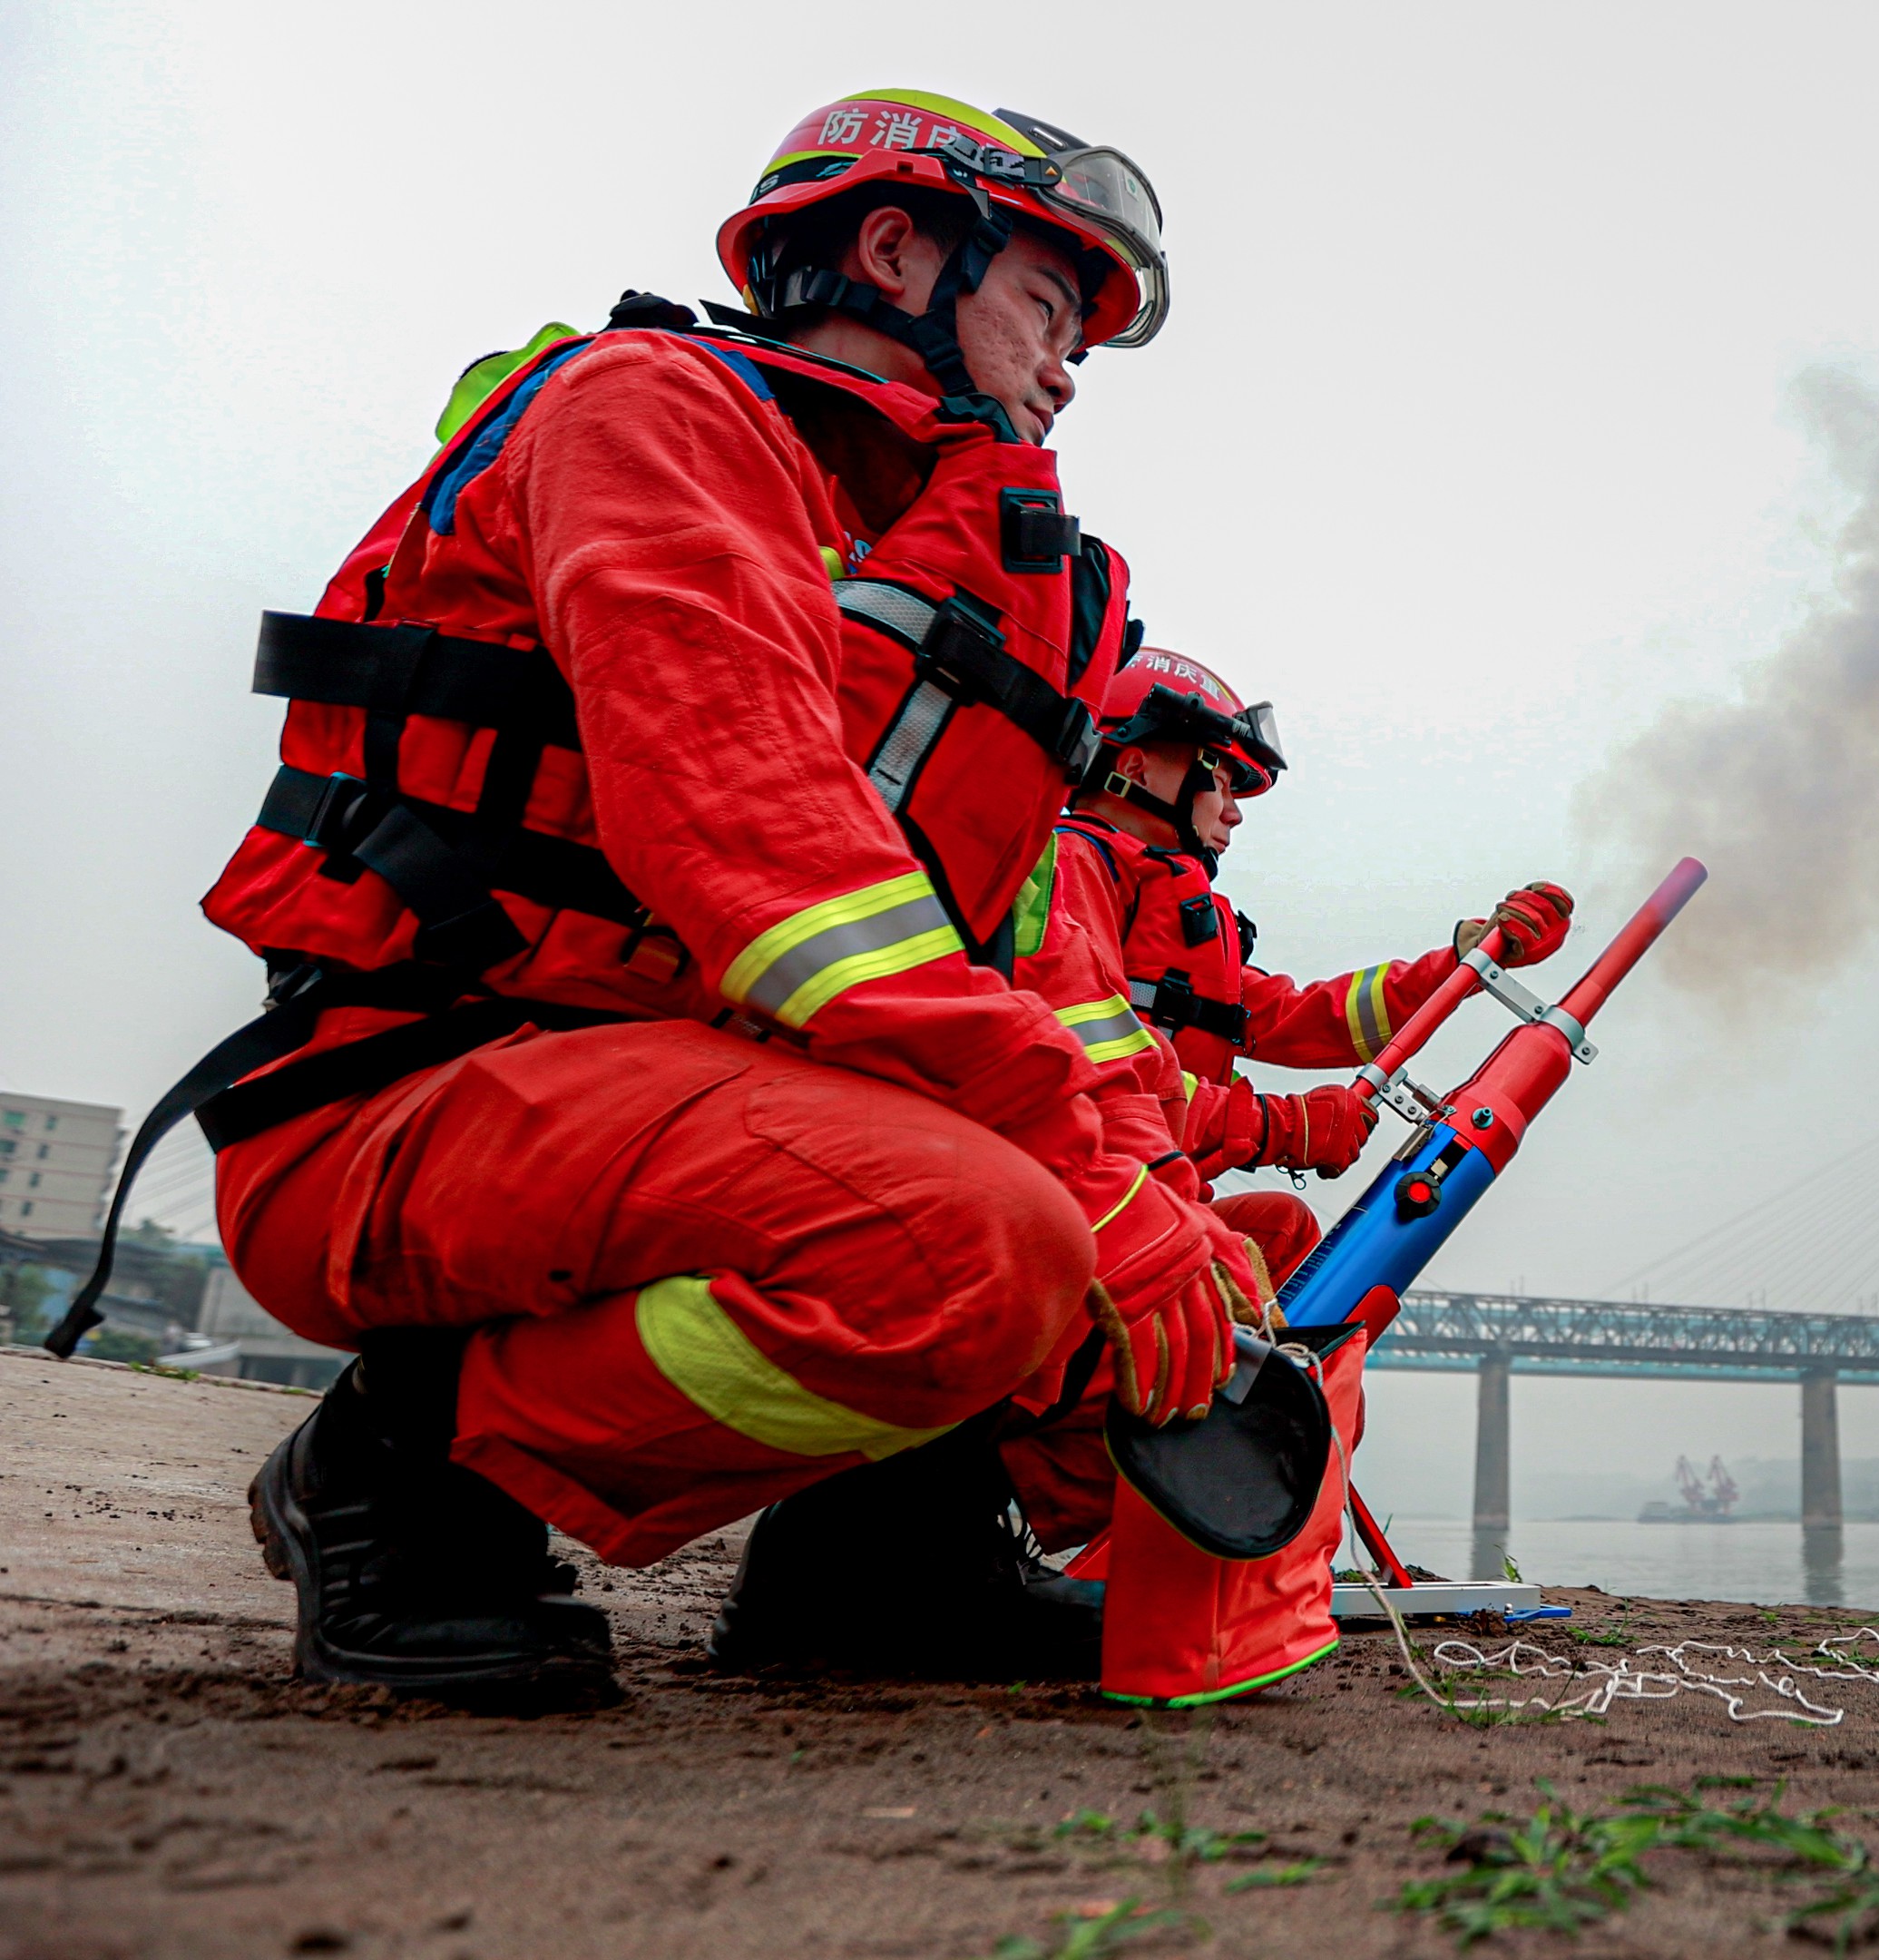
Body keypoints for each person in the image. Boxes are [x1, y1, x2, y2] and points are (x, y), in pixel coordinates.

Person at [141, 91, 1260, 1707]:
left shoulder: (971, 594)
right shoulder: (652, 413)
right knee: (982, 1245)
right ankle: (408, 1471)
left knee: (1151, 1255)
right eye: (1047, 297)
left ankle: (879, 1561)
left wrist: (1153, 1194)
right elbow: (760, 842)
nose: (1073, 358)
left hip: (675, 1113)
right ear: (893, 250)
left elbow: (1025, 959)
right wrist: (1086, 1186)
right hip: (424, 1092)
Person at [1055, 644, 1574, 1279]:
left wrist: (1458, 965)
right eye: (1218, 776)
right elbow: (1095, 1082)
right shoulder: (1073, 868)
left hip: (1139, 1192)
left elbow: (1299, 1017)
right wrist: (1279, 1125)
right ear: (1133, 765)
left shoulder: (1154, 899)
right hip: (1087, 1201)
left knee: (1282, 1226)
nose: (1235, 811)